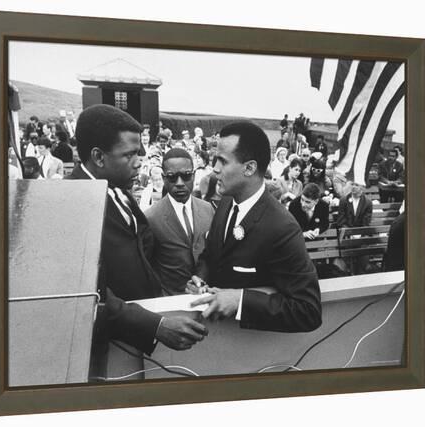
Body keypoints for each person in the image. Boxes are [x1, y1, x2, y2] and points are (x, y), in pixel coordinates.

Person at [64, 104, 207, 356]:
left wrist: (183, 283)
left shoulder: (119, 190)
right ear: (98, 157)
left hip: (136, 338)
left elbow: (145, 253)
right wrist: (156, 325)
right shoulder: (70, 204)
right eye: (129, 155)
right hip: (104, 347)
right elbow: (86, 294)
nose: (139, 163)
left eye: (139, 152)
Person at [188, 121, 322, 332]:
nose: (215, 169)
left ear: (250, 168)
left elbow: (308, 311)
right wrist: (201, 278)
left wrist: (240, 301)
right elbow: (211, 254)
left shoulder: (282, 228)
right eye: (215, 160)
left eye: (222, 161)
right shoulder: (225, 202)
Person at [145, 149, 214, 295]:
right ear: (163, 178)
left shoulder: (208, 209)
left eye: (186, 176)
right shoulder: (151, 218)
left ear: (194, 175)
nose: (180, 183)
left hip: (207, 298)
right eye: (172, 177)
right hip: (170, 302)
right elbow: (147, 268)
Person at [336, 181, 373, 275]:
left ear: (362, 187)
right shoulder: (344, 200)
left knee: (362, 248)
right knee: (348, 245)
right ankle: (348, 272)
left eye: (356, 184)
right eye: (352, 184)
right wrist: (350, 233)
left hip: (361, 236)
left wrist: (359, 234)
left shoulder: (367, 203)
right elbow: (341, 221)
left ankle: (361, 274)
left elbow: (366, 223)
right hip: (346, 235)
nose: (353, 187)